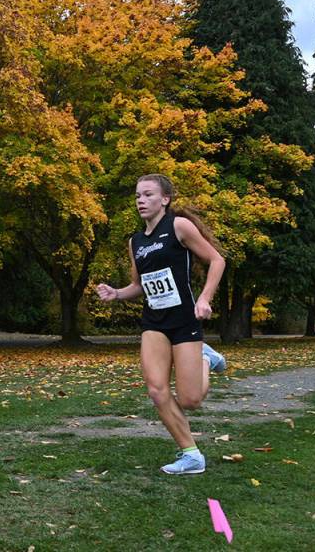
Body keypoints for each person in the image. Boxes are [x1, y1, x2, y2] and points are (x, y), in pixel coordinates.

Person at [96, 174, 226, 474]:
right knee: (156, 390)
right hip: (154, 322)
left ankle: (205, 357)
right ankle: (191, 454)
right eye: (138, 195)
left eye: (148, 194)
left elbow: (217, 260)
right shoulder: (136, 242)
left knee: (191, 399)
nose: (140, 200)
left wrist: (204, 299)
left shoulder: (178, 226)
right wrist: (116, 294)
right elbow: (139, 285)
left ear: (165, 199)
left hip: (184, 320)